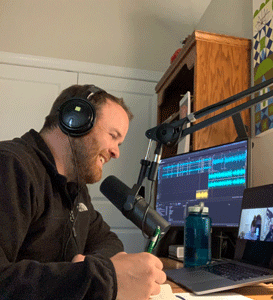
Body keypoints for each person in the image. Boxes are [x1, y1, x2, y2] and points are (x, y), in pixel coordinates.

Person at [0, 85, 166, 299]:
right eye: (113, 136)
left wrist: (89, 267)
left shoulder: (76, 189)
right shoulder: (10, 166)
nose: (116, 152)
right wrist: (99, 279)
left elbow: (108, 241)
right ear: (75, 120)